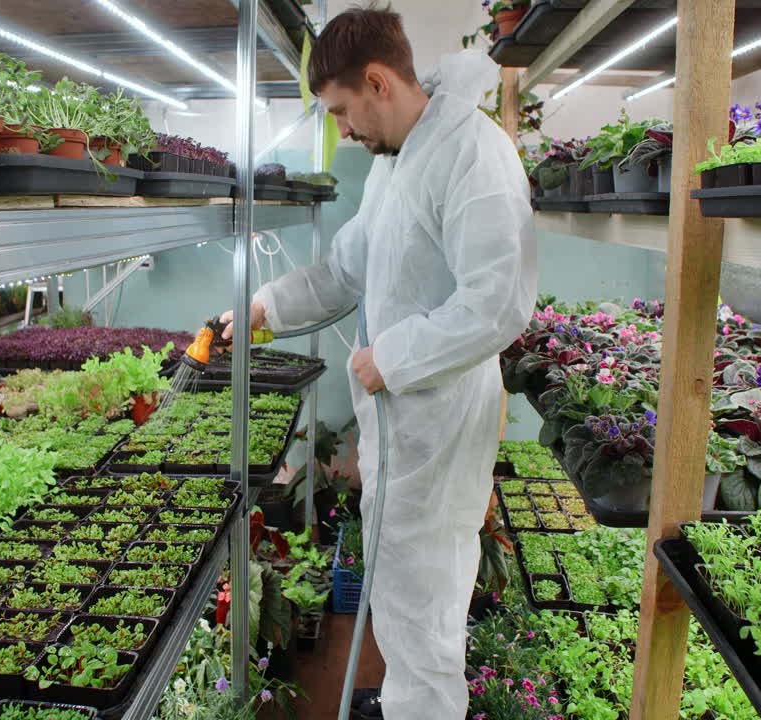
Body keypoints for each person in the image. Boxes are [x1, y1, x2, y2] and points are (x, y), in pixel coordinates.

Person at [221, 5, 536, 719]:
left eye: (340, 110)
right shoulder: (398, 163)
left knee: (423, 604)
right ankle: (404, 704)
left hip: (437, 421)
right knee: (399, 591)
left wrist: (391, 358)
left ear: (377, 82)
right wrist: (266, 305)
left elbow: (498, 303)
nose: (342, 130)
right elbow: (345, 270)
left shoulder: (473, 154)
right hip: (401, 420)